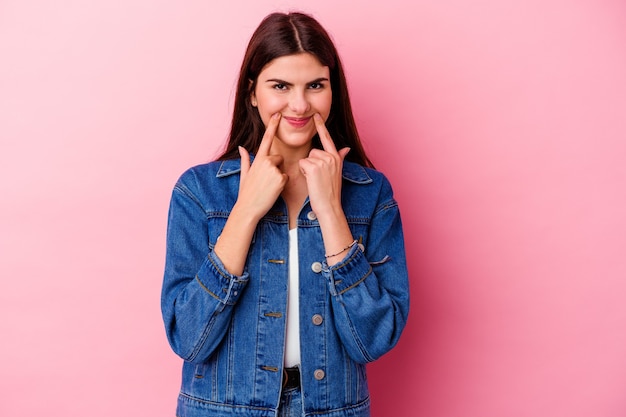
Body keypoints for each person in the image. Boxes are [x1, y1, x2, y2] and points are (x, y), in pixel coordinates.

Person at [162, 11, 409, 417]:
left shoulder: (371, 194)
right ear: (253, 92)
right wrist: (245, 211)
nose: (300, 104)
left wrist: (331, 210)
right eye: (280, 86)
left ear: (333, 91)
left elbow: (373, 339)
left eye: (315, 85)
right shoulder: (199, 192)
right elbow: (189, 339)